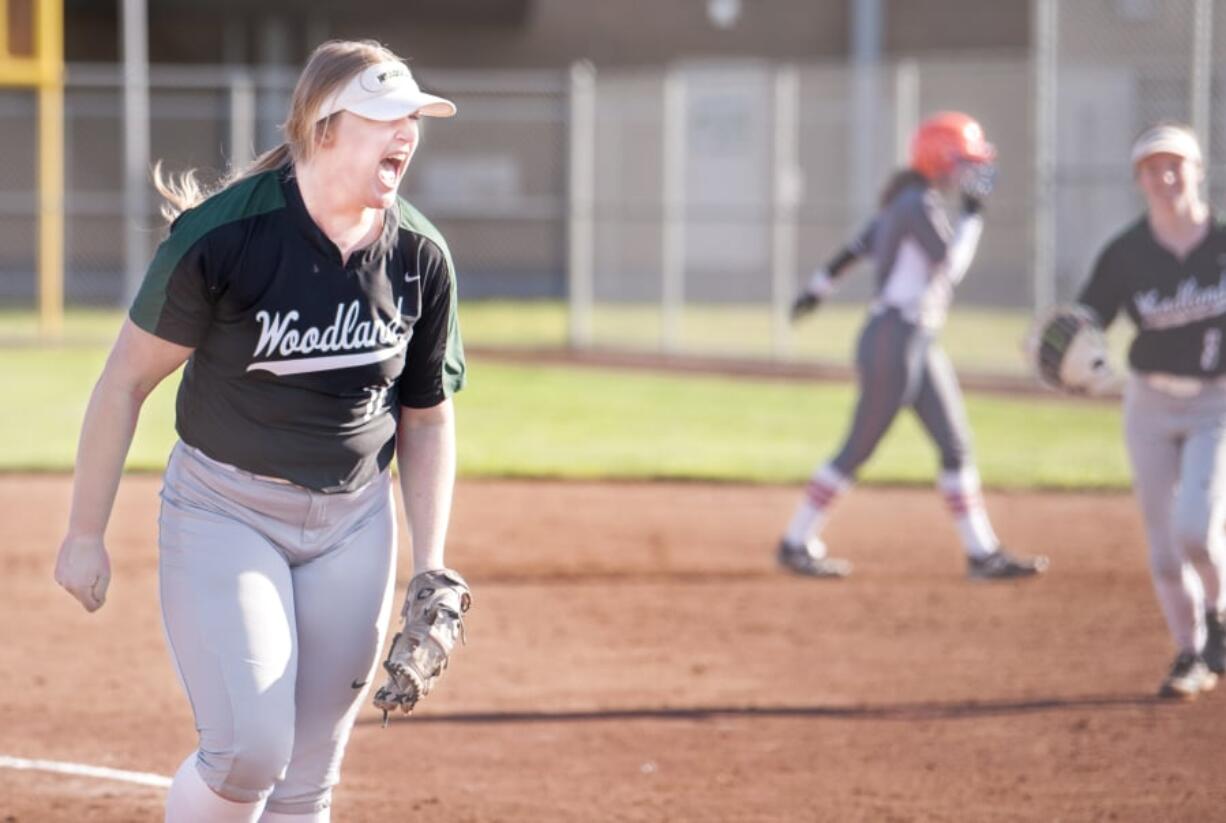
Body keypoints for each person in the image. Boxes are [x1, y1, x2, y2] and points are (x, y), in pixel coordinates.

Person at [52, 40, 467, 821]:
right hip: (226, 511)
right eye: (384, 114)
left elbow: (427, 413)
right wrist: (84, 532)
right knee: (249, 752)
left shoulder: (418, 255)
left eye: (412, 115)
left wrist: (432, 560)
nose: (405, 130)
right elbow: (123, 383)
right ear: (323, 128)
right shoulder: (226, 238)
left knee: (307, 780)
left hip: (354, 524)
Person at [779, 111, 1048, 581]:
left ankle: (981, 554)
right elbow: (950, 267)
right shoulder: (917, 204)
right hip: (894, 339)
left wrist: (814, 292)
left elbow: (852, 252)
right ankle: (795, 541)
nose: (970, 171)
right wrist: (974, 215)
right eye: (963, 161)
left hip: (916, 338)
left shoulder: (903, 202)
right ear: (940, 159)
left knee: (955, 444)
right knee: (858, 447)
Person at [1073, 122, 1226, 699]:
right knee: (1164, 552)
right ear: (1138, 180)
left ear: (1197, 170)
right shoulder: (1126, 254)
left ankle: (1219, 618)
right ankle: (1191, 654)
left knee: (1197, 530)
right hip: (1151, 403)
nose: (1165, 177)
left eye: (1175, 164)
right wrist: (1072, 351)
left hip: (1217, 401)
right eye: (1151, 168)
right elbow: (1090, 319)